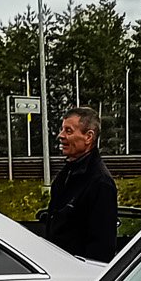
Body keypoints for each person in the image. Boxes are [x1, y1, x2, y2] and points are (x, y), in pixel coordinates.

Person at [37, 107, 118, 262]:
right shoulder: (66, 174)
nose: (61, 136)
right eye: (62, 130)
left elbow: (102, 247)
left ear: (88, 137)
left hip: (76, 276)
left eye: (68, 131)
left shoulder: (100, 183)